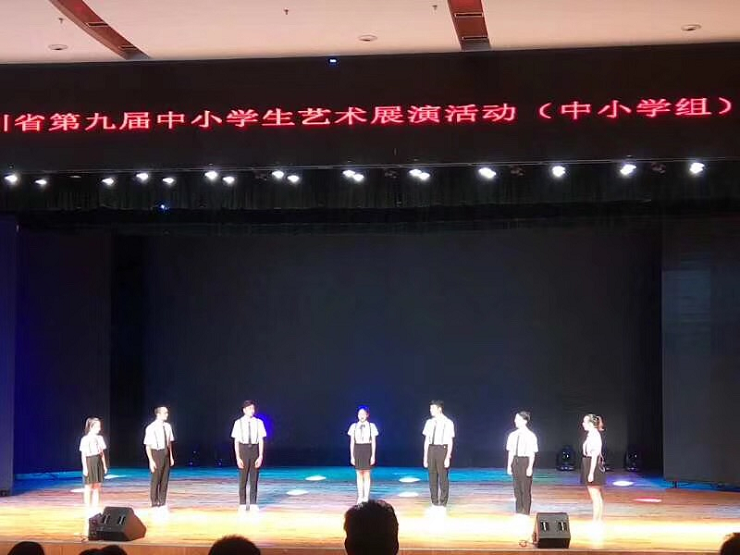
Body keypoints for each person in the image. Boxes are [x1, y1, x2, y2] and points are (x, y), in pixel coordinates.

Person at [231, 400, 267, 513]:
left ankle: (253, 503)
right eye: (250, 408)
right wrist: (238, 457)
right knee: (243, 478)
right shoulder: (238, 423)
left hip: (254, 449)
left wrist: (260, 455)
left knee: (254, 478)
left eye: (253, 408)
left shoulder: (259, 422)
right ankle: (242, 503)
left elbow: (261, 440)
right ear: (244, 410)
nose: (252, 411)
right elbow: (236, 441)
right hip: (243, 449)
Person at [422, 399, 455, 512]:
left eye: (433, 408)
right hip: (431, 449)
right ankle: (434, 501)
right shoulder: (429, 422)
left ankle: (443, 502)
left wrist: (448, 457)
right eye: (430, 408)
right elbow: (426, 440)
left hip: (442, 449)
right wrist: (425, 456)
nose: (431, 410)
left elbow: (450, 441)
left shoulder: (448, 422)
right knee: (432, 476)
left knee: (443, 477)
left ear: (439, 409)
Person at [506, 411, 538, 515]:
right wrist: (509, 465)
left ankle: (526, 511)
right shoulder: (512, 435)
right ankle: (519, 510)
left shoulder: (531, 435)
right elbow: (511, 451)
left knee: (525, 488)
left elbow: (532, 453)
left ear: (524, 421)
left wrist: (530, 467)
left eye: (518, 419)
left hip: (525, 461)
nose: (515, 421)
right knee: (517, 487)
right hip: (515, 461)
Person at [143, 406, 175, 510]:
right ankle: (154, 502)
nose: (167, 415)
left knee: (164, 479)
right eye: (165, 413)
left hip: (166, 453)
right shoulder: (151, 427)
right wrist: (151, 461)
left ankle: (162, 502)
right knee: (156, 479)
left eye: (167, 413)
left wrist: (171, 456)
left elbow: (169, 443)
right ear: (158, 414)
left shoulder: (168, 426)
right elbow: (148, 446)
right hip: (156, 453)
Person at [348, 406, 379, 504]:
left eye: (363, 414)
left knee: (367, 474)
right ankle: (360, 496)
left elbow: (373, 442)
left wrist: (373, 455)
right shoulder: (353, 426)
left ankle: (366, 497)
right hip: (358, 449)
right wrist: (352, 456)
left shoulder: (371, 426)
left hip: (367, 449)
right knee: (359, 474)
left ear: (367, 415)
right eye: (359, 414)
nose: (361, 416)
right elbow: (352, 442)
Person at [80, 417, 108, 514]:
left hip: (98, 461)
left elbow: (102, 453)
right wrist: (85, 468)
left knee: (97, 487)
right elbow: (83, 454)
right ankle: (87, 507)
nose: (99, 428)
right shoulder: (85, 439)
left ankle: (95, 507)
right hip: (89, 461)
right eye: (97, 426)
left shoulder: (100, 438)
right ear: (91, 427)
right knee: (88, 487)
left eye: (100, 426)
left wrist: (104, 465)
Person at [581, 414, 606, 521]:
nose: (583, 424)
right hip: (589, 462)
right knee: (597, 495)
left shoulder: (594, 435)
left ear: (591, 424)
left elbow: (595, 455)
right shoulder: (591, 434)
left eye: (585, 422)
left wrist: (591, 472)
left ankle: (596, 520)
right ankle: (597, 519)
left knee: (595, 495)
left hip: (593, 464)